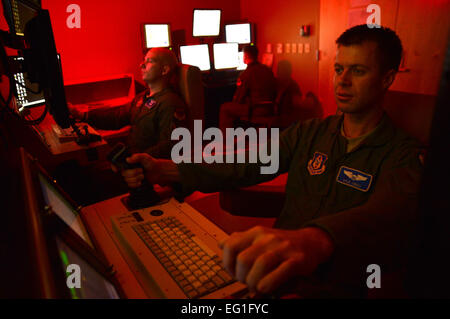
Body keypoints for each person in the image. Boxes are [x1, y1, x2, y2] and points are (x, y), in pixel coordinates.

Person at [117, 25, 423, 298]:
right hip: (274, 275)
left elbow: (389, 214)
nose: (342, 81)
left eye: (357, 71)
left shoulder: (402, 153)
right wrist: (167, 170)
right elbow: (246, 163)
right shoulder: (310, 132)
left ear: (387, 79)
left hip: (331, 286)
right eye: (339, 68)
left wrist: (315, 240)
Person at [69, 47, 188, 159]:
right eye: (143, 60)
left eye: (149, 61)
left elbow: (168, 147)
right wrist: (82, 115)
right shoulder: (143, 97)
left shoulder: (170, 103)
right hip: (132, 158)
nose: (141, 65)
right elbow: (117, 117)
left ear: (164, 70)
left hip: (144, 167)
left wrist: (133, 159)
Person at [219, 45, 276, 132]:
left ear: (245, 56)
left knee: (225, 108)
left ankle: (226, 140)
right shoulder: (268, 70)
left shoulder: (246, 74)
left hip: (255, 110)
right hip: (270, 108)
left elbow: (239, 99)